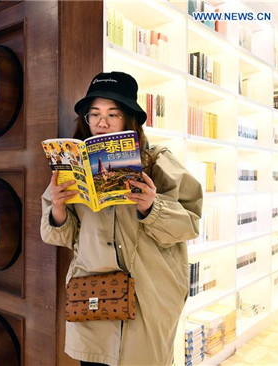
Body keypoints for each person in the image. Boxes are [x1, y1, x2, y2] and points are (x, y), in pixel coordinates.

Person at [40, 71, 203, 366]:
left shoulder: (157, 161)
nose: (102, 123)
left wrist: (152, 208)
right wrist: (59, 209)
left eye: (113, 114)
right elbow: (60, 236)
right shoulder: (74, 163)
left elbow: (190, 224)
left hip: (147, 297)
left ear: (130, 119)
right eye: (94, 114)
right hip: (90, 296)